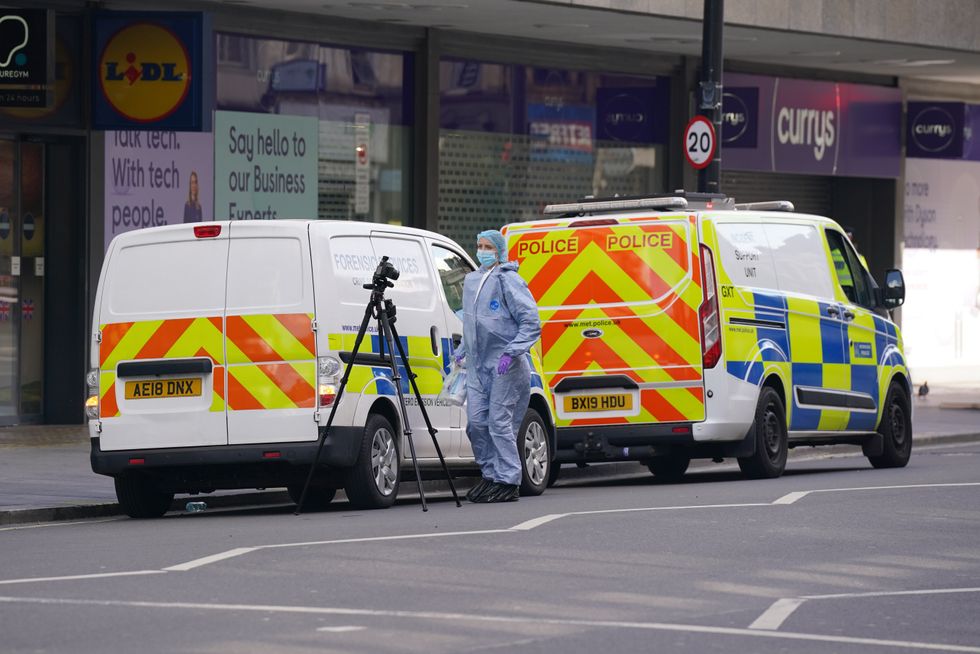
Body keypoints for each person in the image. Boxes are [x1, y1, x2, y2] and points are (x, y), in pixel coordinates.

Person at [455, 229, 541, 503]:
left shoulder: (510, 281)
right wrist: (461, 351)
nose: (482, 251)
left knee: (499, 424)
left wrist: (513, 352)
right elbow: (471, 322)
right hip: (478, 365)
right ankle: (491, 474)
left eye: (488, 247)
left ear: (500, 250)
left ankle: (508, 479)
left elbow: (531, 322)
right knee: (476, 424)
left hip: (507, 365)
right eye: (479, 245)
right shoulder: (472, 281)